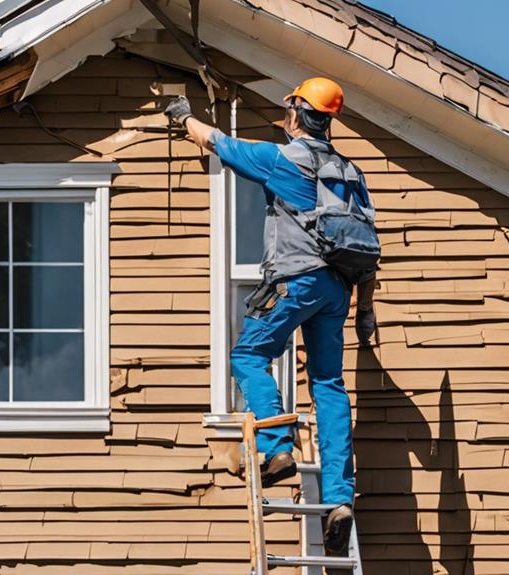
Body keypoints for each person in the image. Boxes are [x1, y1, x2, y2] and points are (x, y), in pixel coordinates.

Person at [164, 77, 377, 557]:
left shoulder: (284, 160)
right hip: (338, 291)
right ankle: (340, 499)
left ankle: (278, 446)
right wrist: (365, 314)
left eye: (289, 110)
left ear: (299, 113)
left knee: (248, 355)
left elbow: (216, 141)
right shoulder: (352, 175)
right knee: (329, 384)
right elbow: (368, 251)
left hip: (296, 280)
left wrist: (182, 118)